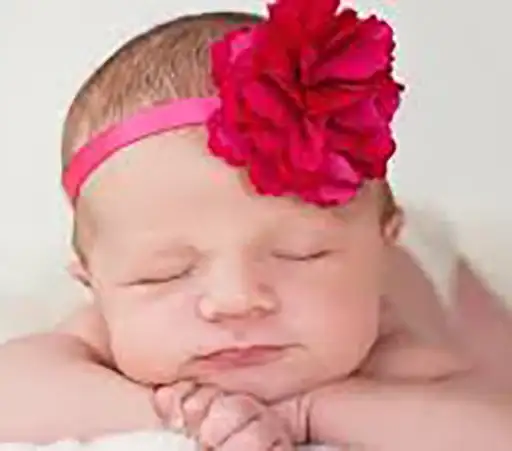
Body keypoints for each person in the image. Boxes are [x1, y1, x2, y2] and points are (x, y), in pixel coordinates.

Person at [0, 0, 510, 449]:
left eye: (300, 254)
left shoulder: (392, 341)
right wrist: (184, 414)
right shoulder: (107, 327)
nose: (236, 300)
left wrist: (307, 411)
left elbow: (494, 430)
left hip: (431, 258)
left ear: (381, 251)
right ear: (95, 284)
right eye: (165, 273)